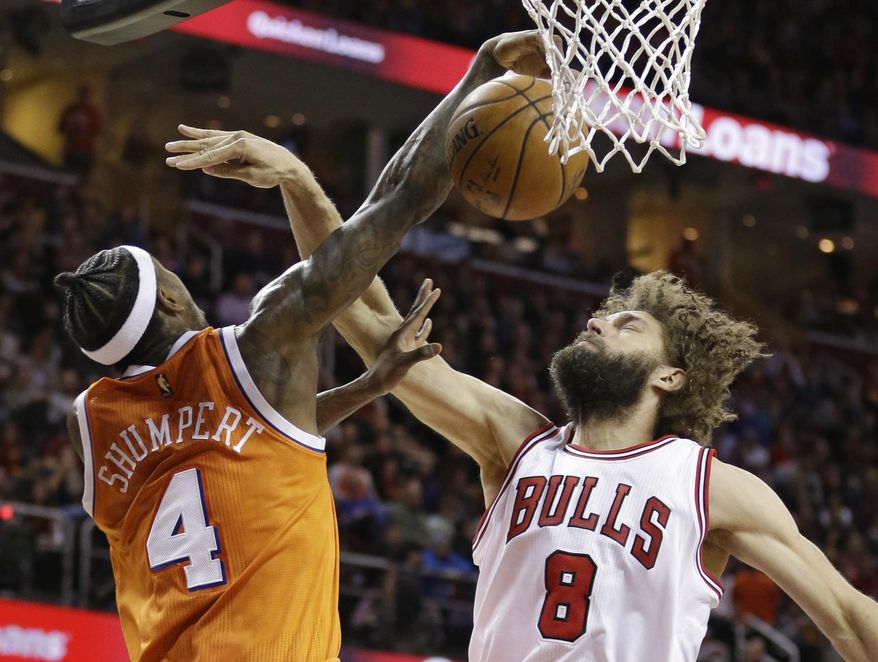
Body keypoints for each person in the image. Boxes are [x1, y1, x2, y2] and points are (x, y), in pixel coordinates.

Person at [177, 133, 878, 662]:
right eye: (601, 314)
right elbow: (368, 323)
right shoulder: (516, 440)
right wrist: (301, 183)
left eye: (626, 325)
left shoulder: (710, 488)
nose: (598, 320)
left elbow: (846, 617)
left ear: (671, 378)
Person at [57, 31, 549, 662]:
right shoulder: (262, 345)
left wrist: (367, 388)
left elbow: (223, 447)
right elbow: (401, 196)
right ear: (173, 300)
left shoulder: (88, 423)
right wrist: (480, 72)